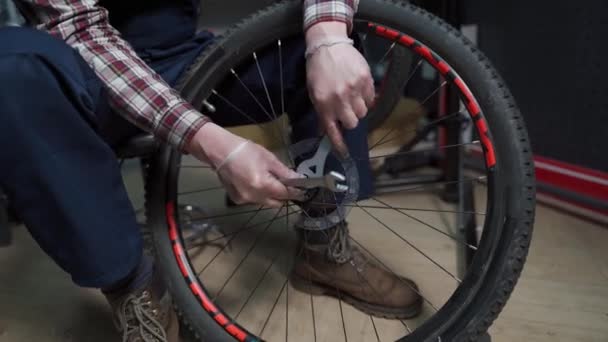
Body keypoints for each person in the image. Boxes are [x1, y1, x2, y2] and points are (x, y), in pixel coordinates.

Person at [0, 0, 422, 341]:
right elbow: (79, 30)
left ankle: (324, 244)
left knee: (334, 45)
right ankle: (135, 288)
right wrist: (213, 144)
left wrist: (327, 37)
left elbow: (327, 32)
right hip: (85, 76)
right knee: (12, 71)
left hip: (181, 57)